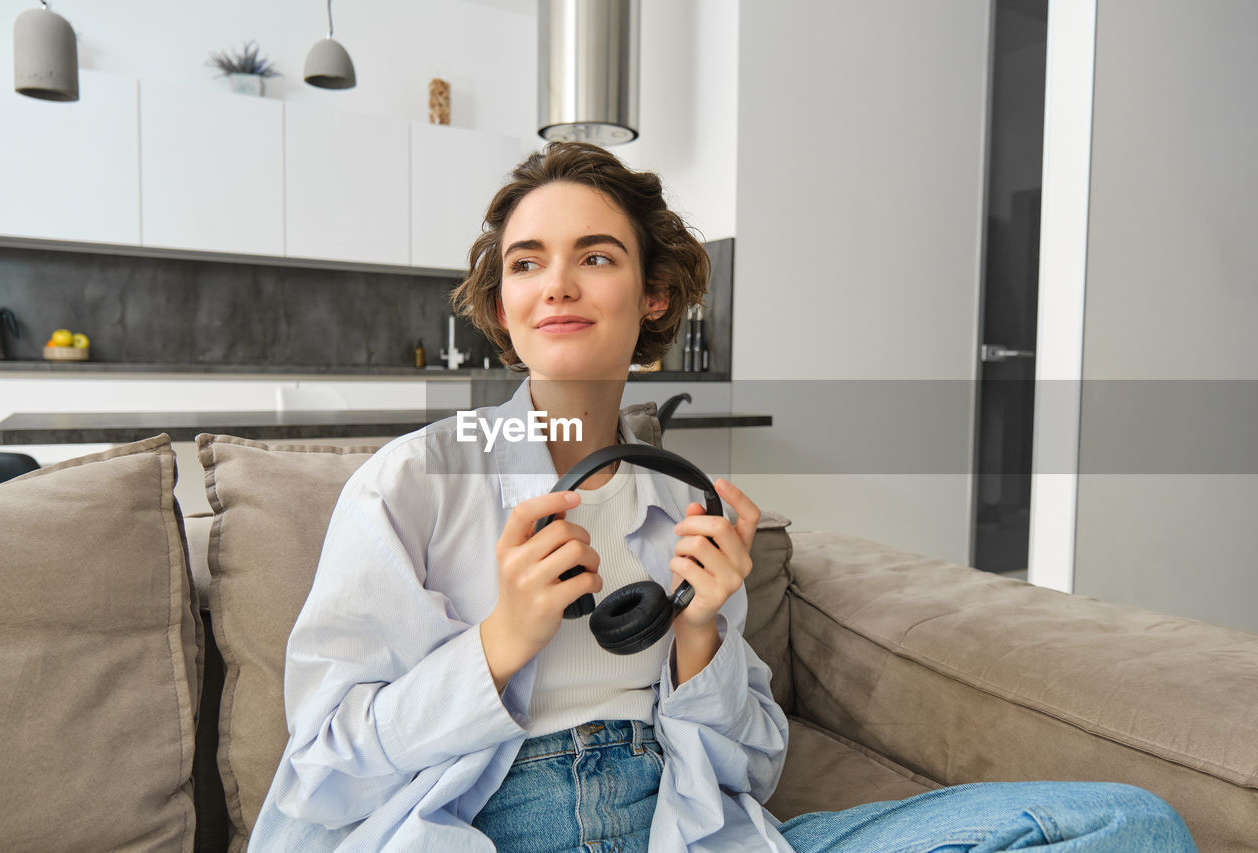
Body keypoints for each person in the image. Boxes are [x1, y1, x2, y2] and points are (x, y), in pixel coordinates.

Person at [250, 141, 1196, 851]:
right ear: (502, 306)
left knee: (1125, 824)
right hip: (487, 830)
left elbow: (753, 765)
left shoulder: (687, 510)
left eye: (597, 256)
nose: (558, 285)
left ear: (654, 295)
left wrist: (702, 640)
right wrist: (501, 642)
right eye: (527, 262)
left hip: (686, 828)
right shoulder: (414, 480)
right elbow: (324, 762)